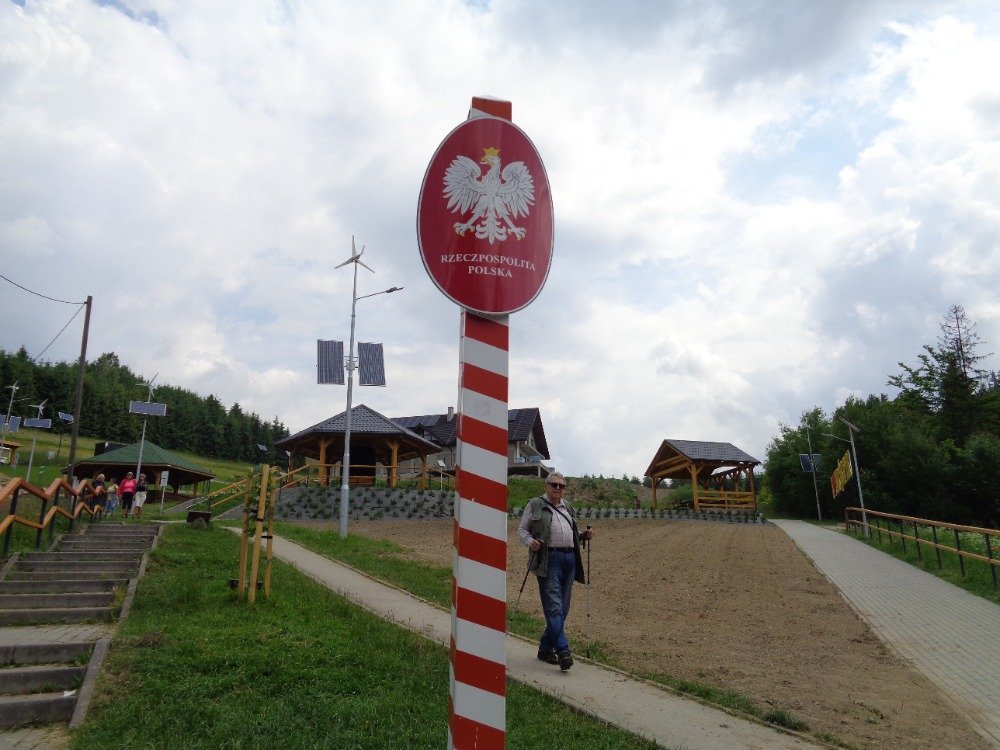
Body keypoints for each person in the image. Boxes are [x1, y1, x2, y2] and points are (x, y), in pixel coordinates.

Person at [517, 472, 593, 672]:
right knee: (554, 607)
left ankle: (545, 649)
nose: (557, 488)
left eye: (561, 486)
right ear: (547, 486)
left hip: (570, 560)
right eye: (554, 484)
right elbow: (522, 530)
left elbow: (571, 532)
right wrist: (530, 542)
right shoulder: (535, 504)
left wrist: (582, 535)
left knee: (563, 608)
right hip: (548, 560)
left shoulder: (567, 507)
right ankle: (563, 650)